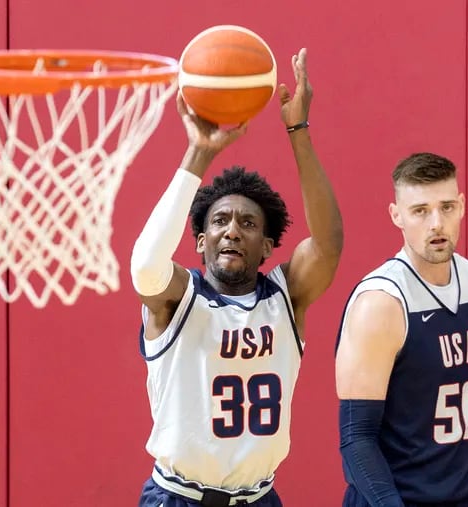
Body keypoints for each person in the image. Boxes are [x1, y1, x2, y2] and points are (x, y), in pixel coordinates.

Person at [130, 48, 343, 507]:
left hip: (259, 497)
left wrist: (298, 130)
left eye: (248, 224)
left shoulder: (286, 298)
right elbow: (145, 266)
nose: (232, 229)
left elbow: (328, 245)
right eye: (220, 221)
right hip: (177, 497)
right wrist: (199, 152)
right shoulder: (178, 299)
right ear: (201, 242)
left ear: (267, 247)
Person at [335, 153, 468, 507]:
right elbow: (356, 439)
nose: (436, 223)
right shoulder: (382, 302)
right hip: (395, 499)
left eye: (447, 207)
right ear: (397, 216)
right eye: (420, 211)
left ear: (462, 206)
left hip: (466, 496)